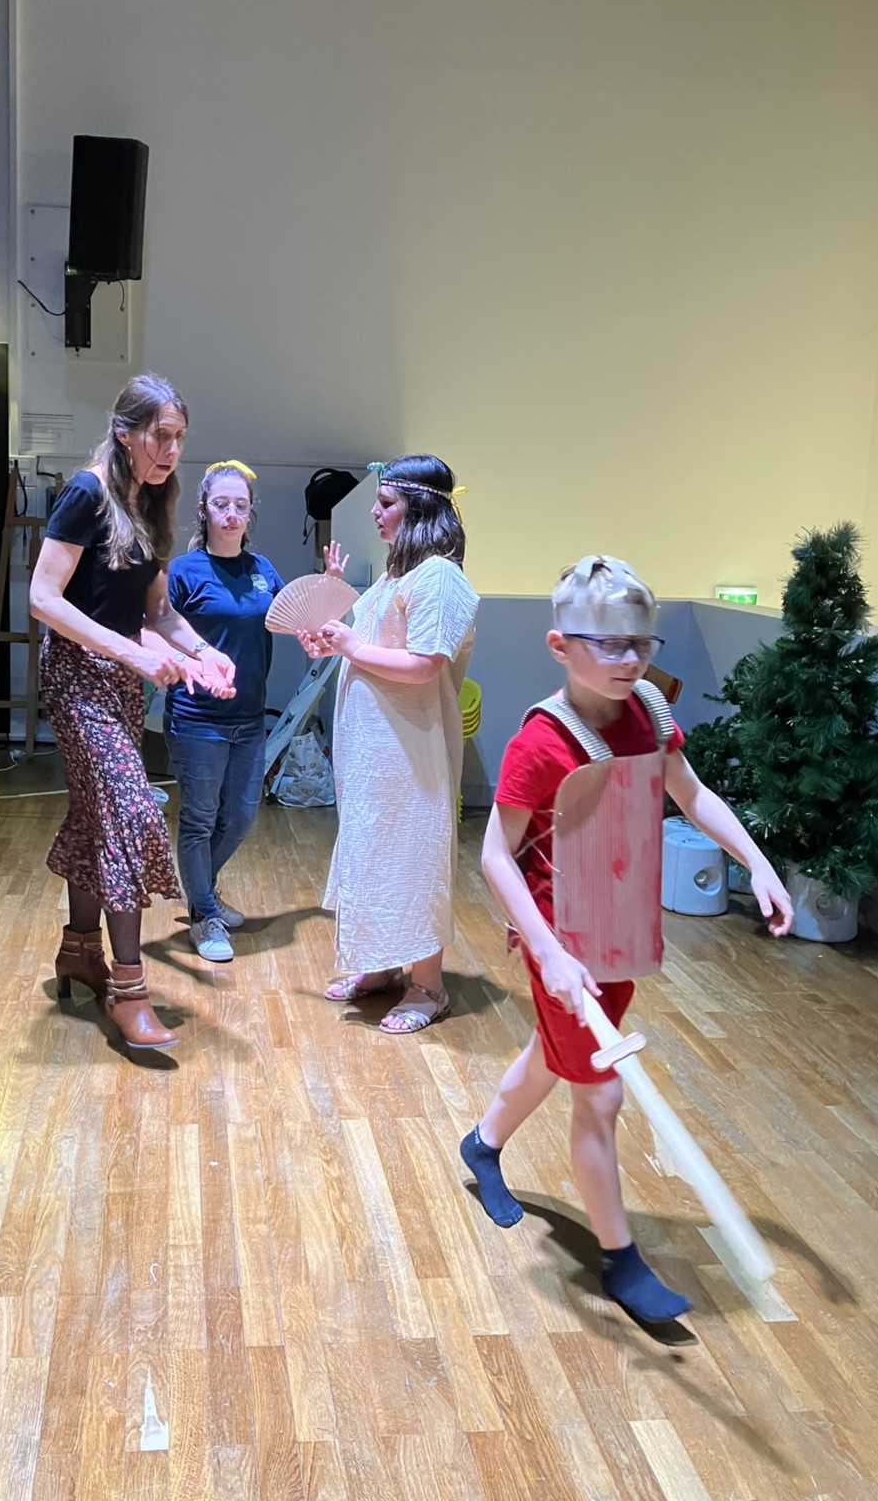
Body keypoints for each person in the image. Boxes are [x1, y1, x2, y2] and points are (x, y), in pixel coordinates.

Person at [460, 554, 793, 1323]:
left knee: (553, 1055)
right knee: (600, 1092)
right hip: (560, 941)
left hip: (619, 930)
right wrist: (545, 950)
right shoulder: (540, 742)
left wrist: (759, 862)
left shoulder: (647, 709)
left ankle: (483, 1144)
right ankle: (621, 1261)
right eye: (607, 643)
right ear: (559, 645)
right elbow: (494, 854)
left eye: (641, 642)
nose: (628, 659)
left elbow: (691, 793)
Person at [29, 375, 236, 1051]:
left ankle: (78, 950)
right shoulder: (86, 493)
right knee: (128, 811)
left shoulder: (151, 499)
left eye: (180, 438)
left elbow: (158, 612)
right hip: (76, 677)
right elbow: (43, 598)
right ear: (125, 433)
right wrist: (134, 654)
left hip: (119, 680)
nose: (172, 450)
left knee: (96, 815)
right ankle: (129, 987)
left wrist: (204, 654)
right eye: (160, 436)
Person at [300, 454, 479, 1033]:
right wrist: (332, 640)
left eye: (385, 503)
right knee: (373, 851)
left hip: (411, 755)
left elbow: (425, 664)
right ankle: (379, 965)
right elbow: (367, 644)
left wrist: (352, 647)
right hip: (373, 757)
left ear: (419, 508)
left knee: (412, 858)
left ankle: (429, 986)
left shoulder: (440, 578)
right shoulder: (395, 576)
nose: (375, 513)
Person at [164, 462, 285, 962]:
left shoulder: (263, 570)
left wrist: (325, 601)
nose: (231, 514)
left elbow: (292, 620)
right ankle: (204, 913)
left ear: (250, 513)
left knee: (239, 817)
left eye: (240, 505)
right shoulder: (183, 571)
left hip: (249, 718)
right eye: (221, 505)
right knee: (199, 819)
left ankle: (200, 891)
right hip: (197, 718)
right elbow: (156, 631)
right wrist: (189, 662)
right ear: (204, 509)